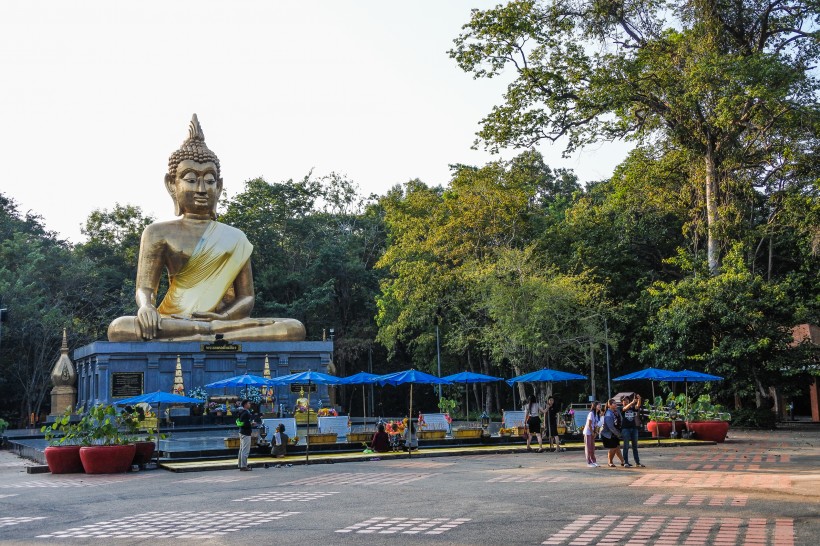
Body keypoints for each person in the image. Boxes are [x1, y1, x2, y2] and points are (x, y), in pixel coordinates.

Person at [107, 114, 306, 343]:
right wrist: (146, 308)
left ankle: (208, 333)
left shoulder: (235, 237)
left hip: (223, 321)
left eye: (210, 180)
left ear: (219, 187)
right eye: (191, 179)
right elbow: (145, 289)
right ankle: (210, 335)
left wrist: (223, 317)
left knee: (292, 328)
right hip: (176, 319)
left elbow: (247, 298)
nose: (202, 189)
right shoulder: (157, 233)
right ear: (172, 185)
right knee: (121, 328)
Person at [620, 393, 645, 467]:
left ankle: (637, 462)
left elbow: (637, 406)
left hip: (634, 428)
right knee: (626, 446)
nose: (626, 401)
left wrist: (639, 399)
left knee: (635, 446)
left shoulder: (632, 408)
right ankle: (625, 462)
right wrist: (632, 402)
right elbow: (625, 409)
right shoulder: (621, 408)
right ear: (622, 402)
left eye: (627, 400)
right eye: (624, 400)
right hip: (625, 429)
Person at [601, 398, 624, 467]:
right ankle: (610, 462)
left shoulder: (616, 411)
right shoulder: (608, 414)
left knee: (617, 448)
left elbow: (621, 419)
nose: (615, 404)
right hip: (609, 434)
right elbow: (610, 427)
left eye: (615, 403)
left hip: (615, 433)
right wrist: (618, 434)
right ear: (609, 405)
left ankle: (623, 461)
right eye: (614, 403)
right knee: (613, 448)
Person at [236, 399, 256, 471]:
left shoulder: (241, 412)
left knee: (241, 449)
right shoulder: (246, 413)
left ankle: (241, 465)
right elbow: (246, 423)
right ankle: (244, 466)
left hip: (241, 432)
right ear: (245, 405)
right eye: (248, 403)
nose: (249, 404)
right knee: (245, 450)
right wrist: (252, 424)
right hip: (246, 433)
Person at [583, 401, 601, 467]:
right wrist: (592, 432)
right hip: (588, 432)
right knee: (588, 447)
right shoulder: (591, 413)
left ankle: (594, 461)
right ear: (594, 406)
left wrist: (595, 432)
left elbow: (596, 425)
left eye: (600, 405)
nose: (599, 406)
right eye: (598, 405)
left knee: (593, 447)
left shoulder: (597, 414)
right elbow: (589, 425)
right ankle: (589, 462)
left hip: (592, 432)